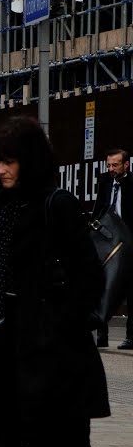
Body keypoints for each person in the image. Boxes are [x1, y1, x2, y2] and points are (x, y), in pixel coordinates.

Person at [0, 116, 108, 447]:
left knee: (71, 446)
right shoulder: (1, 206)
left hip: (50, 353)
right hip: (1, 347)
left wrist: (62, 323)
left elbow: (89, 274)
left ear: (30, 160)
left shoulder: (57, 204)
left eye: (9, 161)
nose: (1, 169)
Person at [92, 147, 132, 349]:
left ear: (126, 165)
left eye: (115, 165)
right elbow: (99, 208)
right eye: (108, 165)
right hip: (107, 239)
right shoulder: (105, 182)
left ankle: (131, 336)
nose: (111, 169)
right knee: (102, 284)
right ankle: (101, 333)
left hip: (128, 241)